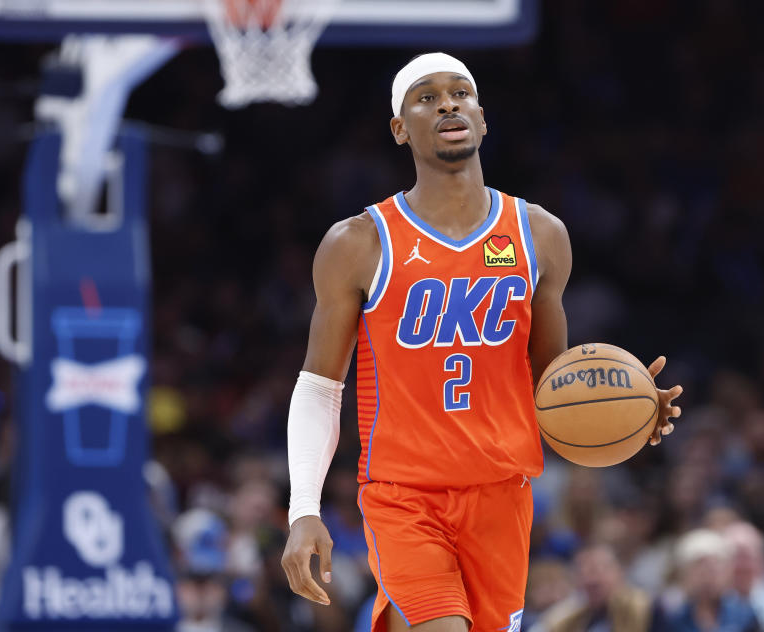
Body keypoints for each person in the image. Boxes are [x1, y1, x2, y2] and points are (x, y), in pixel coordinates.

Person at [278, 52, 683, 632]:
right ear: (400, 128)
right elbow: (320, 387)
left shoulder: (540, 235)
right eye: (426, 96)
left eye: (461, 92)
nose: (447, 103)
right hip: (404, 496)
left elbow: (553, 388)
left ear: (482, 118)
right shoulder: (359, 242)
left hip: (503, 495)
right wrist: (303, 509)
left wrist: (631, 406)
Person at [529, 543, 658, 632]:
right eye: (583, 573)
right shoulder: (570, 617)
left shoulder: (647, 609)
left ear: (619, 572)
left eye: (598, 571)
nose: (591, 580)